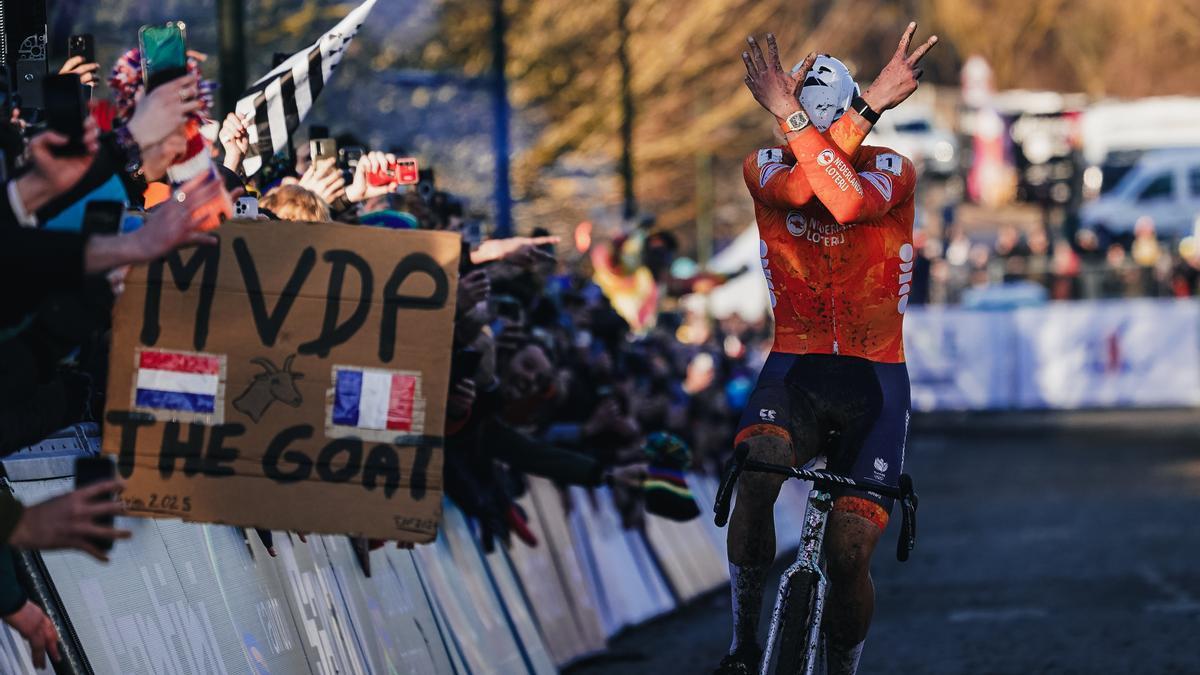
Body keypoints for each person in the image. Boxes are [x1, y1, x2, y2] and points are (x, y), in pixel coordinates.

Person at [717, 23, 936, 675]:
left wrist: (810, 115)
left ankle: (843, 665)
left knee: (849, 553)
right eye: (794, 127)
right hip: (796, 367)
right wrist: (830, 115)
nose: (799, 140)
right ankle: (742, 644)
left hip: (876, 381)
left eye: (813, 127)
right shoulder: (765, 165)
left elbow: (840, 198)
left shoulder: (893, 169)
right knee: (757, 468)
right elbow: (806, 186)